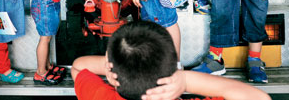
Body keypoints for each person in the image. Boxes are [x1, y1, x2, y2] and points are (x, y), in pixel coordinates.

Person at [71, 21, 271, 100]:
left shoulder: (99, 96)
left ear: (112, 72)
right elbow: (260, 98)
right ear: (172, 67)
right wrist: (186, 80)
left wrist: (108, 67)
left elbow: (78, 67)